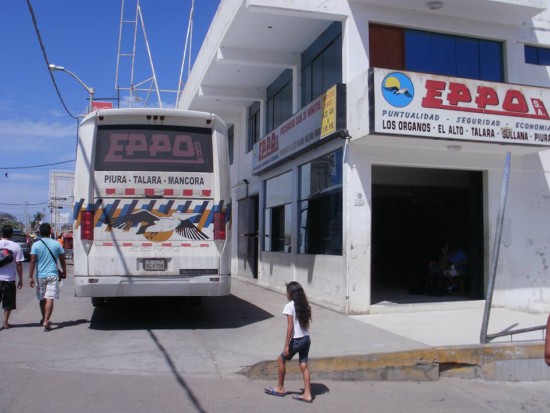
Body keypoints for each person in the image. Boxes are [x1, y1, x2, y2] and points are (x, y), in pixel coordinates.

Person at [264, 281, 313, 403]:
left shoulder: (289, 306)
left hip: (297, 340)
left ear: (290, 293)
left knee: (281, 359)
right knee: (303, 364)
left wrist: (286, 345)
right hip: (307, 339)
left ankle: (280, 388)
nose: (286, 294)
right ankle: (307, 394)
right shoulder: (303, 304)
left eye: (287, 292)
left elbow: (290, 326)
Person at [28, 223, 66, 332]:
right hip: (53, 275)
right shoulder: (57, 244)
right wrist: (64, 271)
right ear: (50, 232)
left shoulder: (36, 245)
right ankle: (46, 320)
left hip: (41, 276)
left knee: (42, 298)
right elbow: (62, 259)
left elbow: (32, 261)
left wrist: (30, 276)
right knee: (50, 298)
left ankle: (43, 318)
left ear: (40, 232)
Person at [0, 225, 24, 329]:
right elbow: (19, 264)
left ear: (1, 233)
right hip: (9, 279)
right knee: (8, 302)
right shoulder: (16, 246)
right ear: (11, 234)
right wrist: (21, 279)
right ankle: (5, 322)